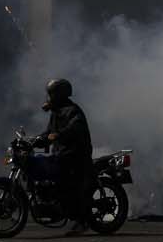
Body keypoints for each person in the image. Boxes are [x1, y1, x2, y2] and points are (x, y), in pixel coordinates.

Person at [39, 77, 93, 235]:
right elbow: (49, 132)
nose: (49, 98)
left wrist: (58, 135)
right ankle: (52, 207)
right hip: (61, 153)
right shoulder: (56, 112)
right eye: (49, 94)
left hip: (76, 155)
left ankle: (81, 221)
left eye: (52, 94)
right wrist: (35, 141)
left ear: (61, 94)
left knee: (68, 185)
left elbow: (75, 128)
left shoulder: (72, 110)